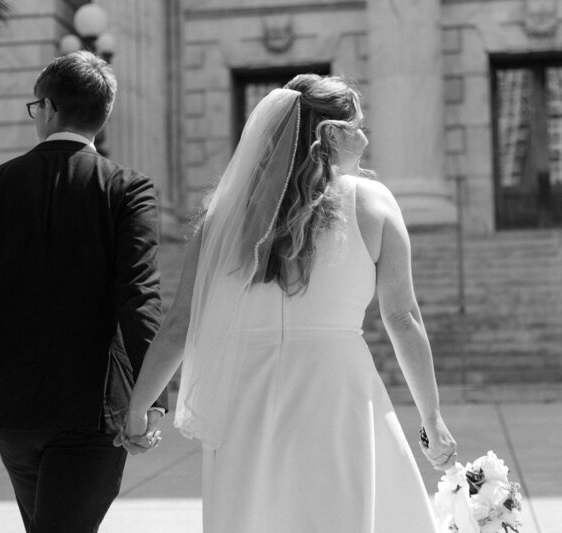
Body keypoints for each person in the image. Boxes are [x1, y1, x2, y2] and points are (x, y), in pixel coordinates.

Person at [119, 74, 456, 532]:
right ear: (332, 133)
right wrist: (431, 418)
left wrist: (138, 409)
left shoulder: (222, 216)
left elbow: (179, 324)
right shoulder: (373, 202)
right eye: (357, 125)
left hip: (245, 395)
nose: (365, 136)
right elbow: (402, 317)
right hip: (336, 391)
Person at [0, 50, 167, 532]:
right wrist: (150, 402)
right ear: (103, 116)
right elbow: (139, 298)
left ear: (46, 107)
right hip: (93, 407)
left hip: (10, 410)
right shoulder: (128, 188)